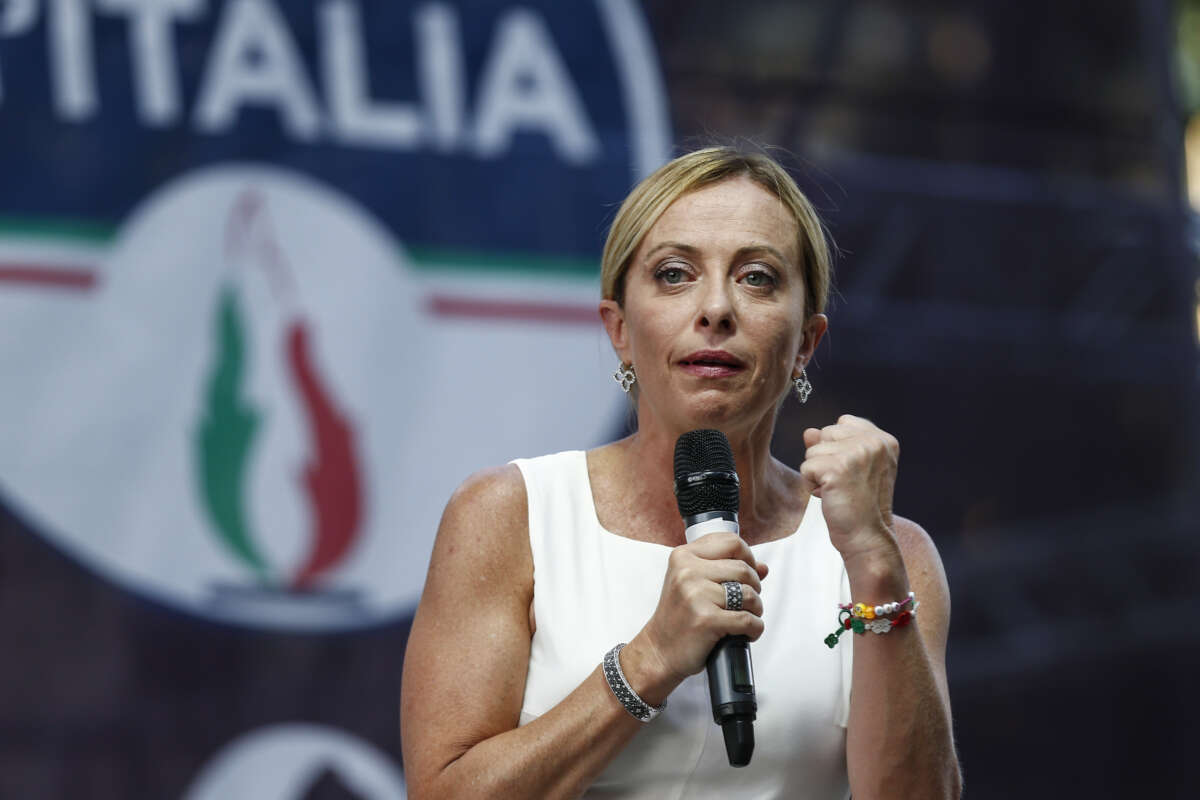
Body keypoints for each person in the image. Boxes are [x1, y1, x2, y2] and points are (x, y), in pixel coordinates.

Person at [400, 146, 962, 799]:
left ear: (806, 343)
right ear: (618, 328)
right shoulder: (511, 516)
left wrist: (873, 561)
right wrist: (649, 660)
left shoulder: (893, 558)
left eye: (757, 278)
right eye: (674, 274)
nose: (716, 308)